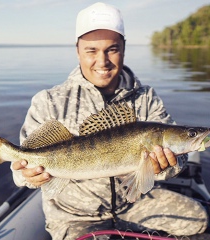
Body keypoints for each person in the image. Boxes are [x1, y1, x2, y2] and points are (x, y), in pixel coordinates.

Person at [11, 2, 208, 239]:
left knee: (198, 219)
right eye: (91, 51)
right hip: (74, 215)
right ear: (77, 50)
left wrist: (165, 167)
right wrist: (27, 175)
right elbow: (20, 173)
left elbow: (179, 162)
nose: (102, 61)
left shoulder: (145, 98)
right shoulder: (49, 101)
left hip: (132, 204)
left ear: (124, 48)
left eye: (112, 49)